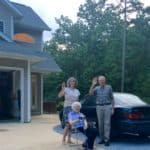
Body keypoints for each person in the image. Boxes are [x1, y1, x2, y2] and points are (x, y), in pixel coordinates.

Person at [89, 75, 115, 146]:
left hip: (107, 106)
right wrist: (93, 84)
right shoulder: (96, 88)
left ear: (105, 80)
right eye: (100, 80)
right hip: (99, 107)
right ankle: (101, 139)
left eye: (103, 80)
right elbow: (90, 93)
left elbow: (112, 98)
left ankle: (107, 140)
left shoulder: (109, 87)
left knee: (107, 123)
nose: (102, 81)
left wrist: (113, 108)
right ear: (98, 81)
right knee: (100, 124)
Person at [58, 77, 80, 144]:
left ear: (75, 83)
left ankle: (69, 140)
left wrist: (78, 110)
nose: (72, 82)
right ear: (69, 82)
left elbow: (77, 101)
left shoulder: (77, 91)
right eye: (71, 81)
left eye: (73, 81)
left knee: (71, 125)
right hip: (67, 107)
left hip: (74, 109)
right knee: (67, 124)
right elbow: (59, 96)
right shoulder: (66, 89)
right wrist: (63, 89)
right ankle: (63, 139)